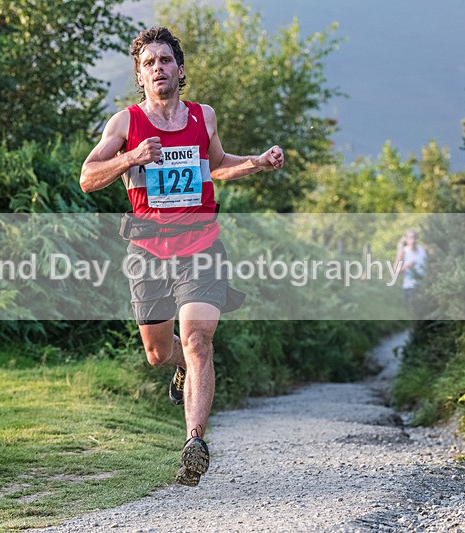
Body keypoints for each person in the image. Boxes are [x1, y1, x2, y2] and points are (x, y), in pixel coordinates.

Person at [79, 27, 284, 486]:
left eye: (165, 60)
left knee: (197, 340)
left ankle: (194, 442)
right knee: (158, 352)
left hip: (200, 247)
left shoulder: (203, 117)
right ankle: (182, 371)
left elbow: (216, 164)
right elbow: (88, 178)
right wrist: (130, 158)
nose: (159, 68)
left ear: (180, 69)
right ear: (140, 75)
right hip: (148, 250)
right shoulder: (125, 124)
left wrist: (256, 162)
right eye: (149, 63)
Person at [395, 229, 427, 313]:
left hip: (423, 286)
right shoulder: (403, 252)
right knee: (412, 313)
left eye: (413, 237)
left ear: (417, 238)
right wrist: (407, 266)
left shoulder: (422, 250)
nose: (412, 240)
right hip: (409, 287)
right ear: (406, 239)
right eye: (409, 238)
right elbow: (395, 271)